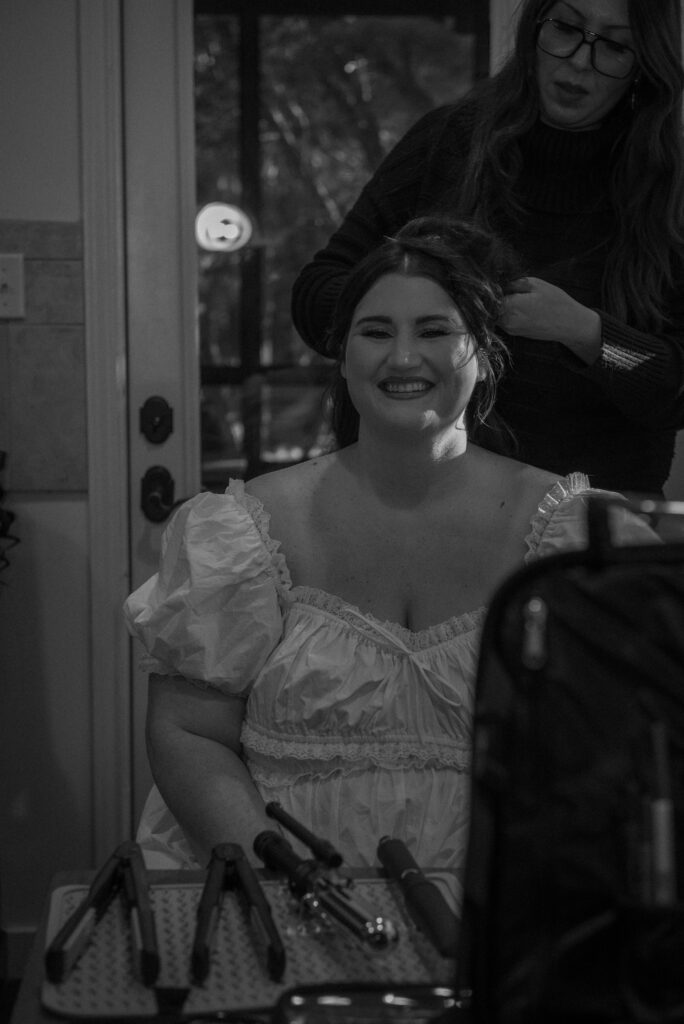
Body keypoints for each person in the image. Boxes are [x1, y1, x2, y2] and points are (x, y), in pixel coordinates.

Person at [125, 218, 656, 912]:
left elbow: (626, 750)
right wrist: (286, 882)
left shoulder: (573, 535)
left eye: (435, 331)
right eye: (376, 332)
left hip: (513, 910)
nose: (403, 357)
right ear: (342, 358)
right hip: (282, 898)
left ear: (487, 356)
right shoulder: (243, 533)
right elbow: (188, 731)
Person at [290, 0, 684, 495]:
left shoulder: (669, 190)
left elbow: (677, 389)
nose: (581, 60)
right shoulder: (449, 141)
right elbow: (313, 295)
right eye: (566, 28)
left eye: (615, 44)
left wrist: (586, 333)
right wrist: (420, 311)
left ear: (644, 63)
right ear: (534, 28)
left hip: (589, 523)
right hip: (413, 503)